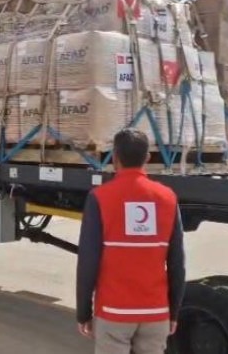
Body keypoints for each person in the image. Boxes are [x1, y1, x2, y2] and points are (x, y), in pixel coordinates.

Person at [75, 128, 186, 354]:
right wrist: (173, 312)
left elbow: (88, 262)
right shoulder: (168, 198)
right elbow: (177, 263)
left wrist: (83, 313)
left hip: (114, 312)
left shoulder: (99, 198)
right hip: (156, 313)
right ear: (147, 158)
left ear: (115, 157)